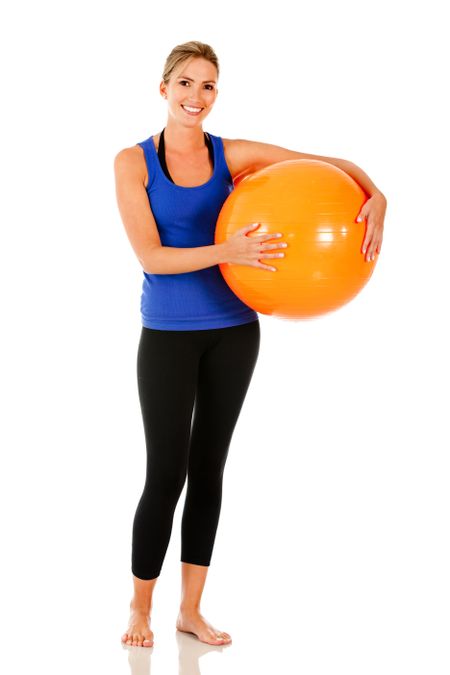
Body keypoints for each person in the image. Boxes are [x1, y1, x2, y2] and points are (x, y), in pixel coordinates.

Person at [114, 40, 387, 649]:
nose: (196, 96)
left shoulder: (230, 154)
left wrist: (378, 195)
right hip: (167, 335)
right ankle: (139, 608)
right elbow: (151, 254)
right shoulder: (132, 162)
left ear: (216, 95)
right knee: (166, 472)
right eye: (185, 83)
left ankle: (190, 610)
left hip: (235, 332)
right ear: (164, 90)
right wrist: (229, 252)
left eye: (208, 86)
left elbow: (328, 165)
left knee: (209, 468)